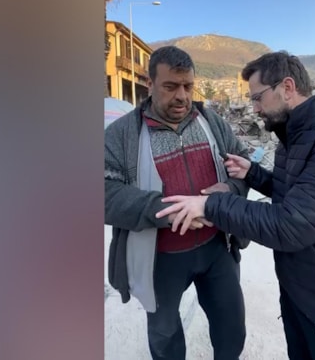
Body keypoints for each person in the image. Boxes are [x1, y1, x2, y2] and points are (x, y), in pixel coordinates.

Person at [156, 51, 315, 360]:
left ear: (287, 88)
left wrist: (211, 205)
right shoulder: (294, 132)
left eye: (257, 98)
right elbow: (297, 194)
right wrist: (253, 174)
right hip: (300, 297)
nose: (254, 108)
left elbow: (292, 224)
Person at [104, 46, 251, 360]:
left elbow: (243, 166)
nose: (182, 96)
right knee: (164, 336)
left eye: (188, 86)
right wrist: (164, 210)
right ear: (150, 84)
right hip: (160, 259)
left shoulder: (211, 122)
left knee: (232, 328)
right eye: (170, 86)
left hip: (217, 249)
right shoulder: (122, 135)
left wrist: (229, 189)